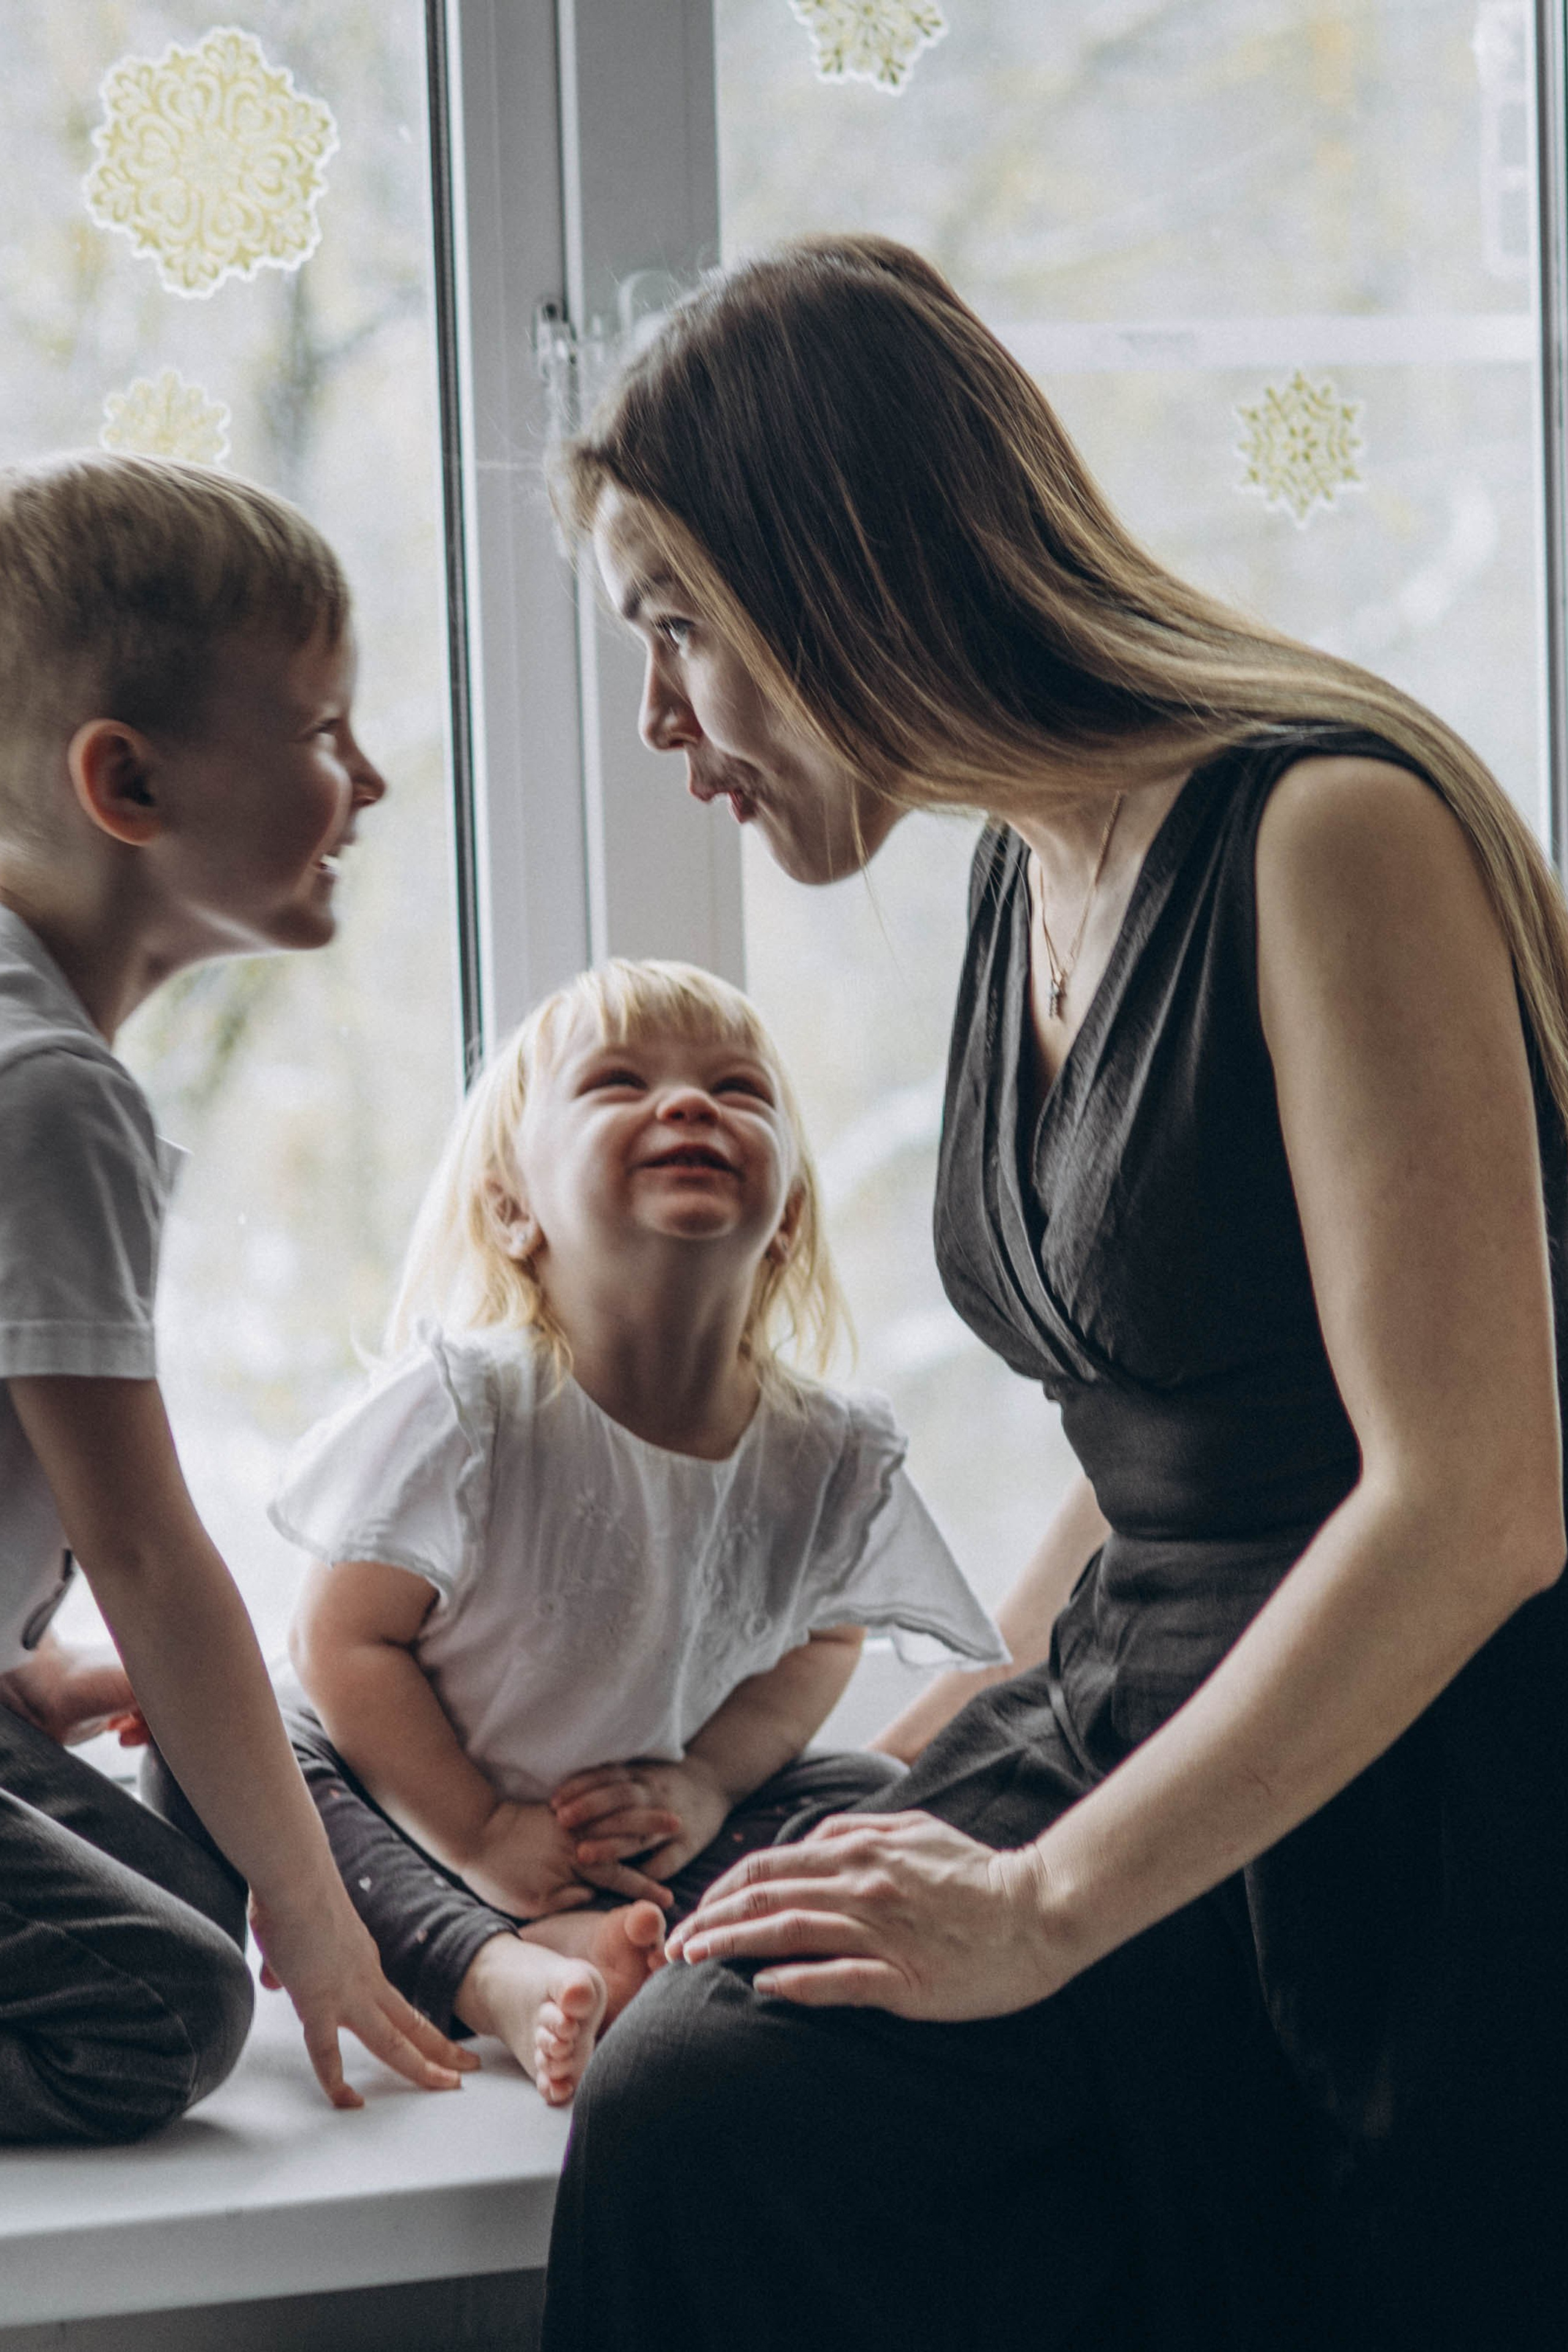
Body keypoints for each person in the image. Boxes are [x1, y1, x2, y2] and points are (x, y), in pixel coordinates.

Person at [534, 236, 1568, 2351]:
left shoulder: (1331, 832)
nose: (662, 727)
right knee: (714, 2076)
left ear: (842, 572)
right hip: (1130, 1705)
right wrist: (871, 1792)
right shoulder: (1028, 865)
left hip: (1413, 1793)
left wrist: (1037, 1906)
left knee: (742, 2124)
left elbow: (1473, 1501)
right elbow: (1154, 1434)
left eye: (678, 636)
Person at [270, 957, 1003, 2103]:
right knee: (247, 1743)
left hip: (644, 1834)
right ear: (513, 1208)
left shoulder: (825, 1451)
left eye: (739, 1088)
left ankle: (649, 1953)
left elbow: (826, 1640)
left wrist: (706, 1782)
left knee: (862, 1784)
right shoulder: (472, 1407)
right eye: (620, 1081)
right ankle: (496, 1971)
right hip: (420, 1818)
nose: (690, 1103)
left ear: (787, 1218)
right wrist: (481, 1834)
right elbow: (339, 1642)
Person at [0, 451, 475, 2144]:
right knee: (173, 2005)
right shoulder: (46, 1090)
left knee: (206, 1870)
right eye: (324, 732)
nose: (373, 782)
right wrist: (324, 1929)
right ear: (125, 781)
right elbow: (142, 1547)